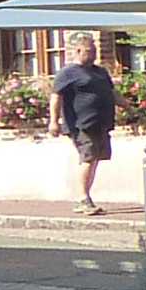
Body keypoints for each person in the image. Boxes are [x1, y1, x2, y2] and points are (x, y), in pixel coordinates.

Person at [51, 43, 118, 215]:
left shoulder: (100, 72)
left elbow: (112, 93)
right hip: (81, 124)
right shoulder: (68, 73)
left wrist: (129, 107)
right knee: (87, 158)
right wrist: (54, 121)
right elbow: (56, 97)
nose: (93, 55)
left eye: (94, 51)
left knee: (95, 159)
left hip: (101, 122)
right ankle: (82, 198)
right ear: (78, 51)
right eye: (90, 51)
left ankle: (85, 197)